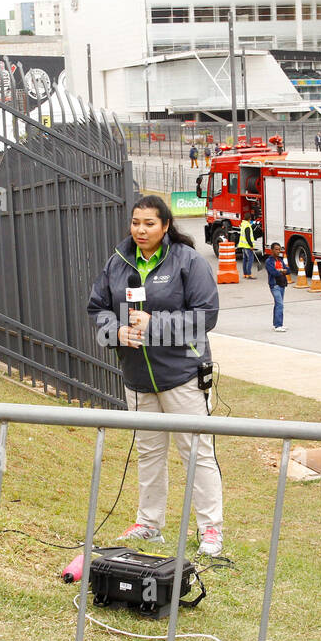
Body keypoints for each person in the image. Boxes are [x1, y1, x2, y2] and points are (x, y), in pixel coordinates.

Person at [87, 195, 225, 557]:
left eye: (149, 223)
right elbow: (97, 309)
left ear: (165, 226)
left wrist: (154, 326)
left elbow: (205, 317)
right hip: (138, 379)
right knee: (148, 454)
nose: (140, 230)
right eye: (135, 222)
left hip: (182, 377)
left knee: (196, 453)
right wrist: (116, 332)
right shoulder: (118, 262)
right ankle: (149, 524)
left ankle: (210, 530)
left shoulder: (188, 261)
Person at [265, 241, 289, 333]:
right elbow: (273, 272)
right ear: (272, 250)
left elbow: (288, 270)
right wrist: (282, 271)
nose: (278, 251)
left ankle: (277, 324)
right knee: (280, 304)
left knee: (278, 304)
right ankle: (278, 325)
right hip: (274, 285)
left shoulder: (280, 260)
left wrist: (282, 271)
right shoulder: (269, 261)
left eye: (279, 249)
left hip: (282, 284)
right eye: (276, 249)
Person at [238, 211, 258, 279]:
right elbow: (248, 237)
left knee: (245, 260)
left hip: (243, 246)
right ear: (249, 218)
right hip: (247, 246)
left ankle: (245, 274)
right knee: (250, 260)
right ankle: (249, 274)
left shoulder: (243, 224)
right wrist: (251, 245)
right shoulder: (247, 226)